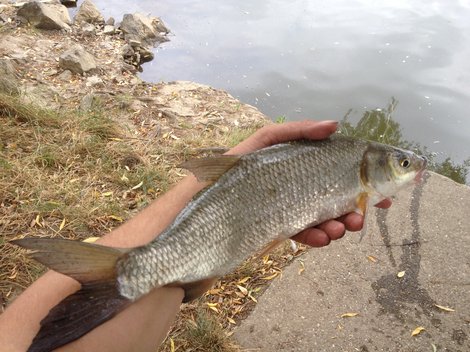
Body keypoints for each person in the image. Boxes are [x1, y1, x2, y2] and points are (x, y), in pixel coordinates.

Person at [0, 120, 391, 351]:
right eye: (403, 165)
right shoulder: (359, 180)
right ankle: (136, 273)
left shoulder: (358, 178)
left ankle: (139, 272)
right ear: (369, 171)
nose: (409, 169)